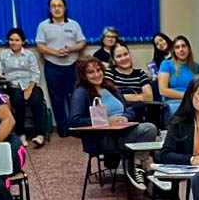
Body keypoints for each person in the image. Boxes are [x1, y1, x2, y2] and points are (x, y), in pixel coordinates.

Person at [66, 57, 159, 187]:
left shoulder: (110, 88)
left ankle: (137, 166)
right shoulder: (81, 92)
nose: (97, 74)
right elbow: (74, 121)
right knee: (149, 131)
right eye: (91, 72)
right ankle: (135, 165)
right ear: (83, 75)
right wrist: (105, 121)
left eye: (98, 70)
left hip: (124, 130)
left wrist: (126, 117)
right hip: (103, 138)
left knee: (156, 136)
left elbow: (128, 108)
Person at [35, 0, 85, 135]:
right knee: (57, 99)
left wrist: (71, 49)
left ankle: (75, 127)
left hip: (72, 66)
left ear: (65, 8)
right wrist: (55, 53)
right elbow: (39, 46)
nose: (57, 9)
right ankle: (63, 128)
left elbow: (82, 43)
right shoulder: (43, 25)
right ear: (50, 9)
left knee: (74, 97)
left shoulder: (74, 24)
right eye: (54, 6)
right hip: (53, 66)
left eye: (60, 6)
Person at [0, 27, 48, 149]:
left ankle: (40, 135)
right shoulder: (3, 54)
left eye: (17, 40)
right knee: (17, 102)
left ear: (23, 41)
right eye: (11, 40)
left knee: (36, 101)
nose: (14, 43)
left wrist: (29, 89)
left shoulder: (29, 54)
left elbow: (36, 73)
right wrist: (2, 77)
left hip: (30, 84)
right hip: (12, 86)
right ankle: (21, 134)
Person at [157, 74, 199, 168]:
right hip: (189, 175)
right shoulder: (179, 122)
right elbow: (165, 155)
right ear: (191, 95)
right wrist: (192, 160)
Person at [158, 35, 199, 116]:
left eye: (184, 46)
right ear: (174, 51)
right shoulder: (166, 64)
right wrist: (186, 96)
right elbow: (162, 90)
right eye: (177, 47)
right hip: (173, 103)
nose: (181, 50)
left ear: (189, 49)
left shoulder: (197, 67)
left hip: (193, 103)